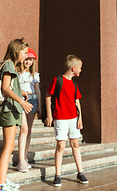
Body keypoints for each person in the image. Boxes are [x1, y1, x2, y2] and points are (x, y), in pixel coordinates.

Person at [0, 38, 33, 191]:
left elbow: (9, 87)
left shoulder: (9, 65)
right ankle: (1, 185)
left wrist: (21, 92)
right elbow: (5, 88)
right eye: (24, 53)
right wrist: (22, 102)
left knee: (9, 146)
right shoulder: (9, 64)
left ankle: (2, 180)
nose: (25, 56)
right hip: (9, 110)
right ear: (17, 51)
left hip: (11, 109)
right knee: (8, 147)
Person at [44, 55, 88, 187]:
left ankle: (80, 172)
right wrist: (49, 115)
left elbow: (77, 101)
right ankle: (58, 175)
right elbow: (48, 97)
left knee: (75, 144)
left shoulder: (74, 84)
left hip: (73, 119)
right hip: (60, 119)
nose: (81, 70)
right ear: (73, 68)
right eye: (80, 68)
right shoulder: (57, 80)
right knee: (61, 146)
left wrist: (80, 118)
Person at [17, 47, 41, 172]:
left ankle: (24, 157)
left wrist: (40, 106)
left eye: (31, 60)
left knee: (28, 130)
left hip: (32, 100)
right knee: (23, 129)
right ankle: (20, 160)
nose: (28, 62)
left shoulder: (34, 75)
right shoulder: (17, 73)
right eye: (27, 59)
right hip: (21, 100)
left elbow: (38, 91)